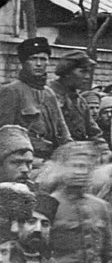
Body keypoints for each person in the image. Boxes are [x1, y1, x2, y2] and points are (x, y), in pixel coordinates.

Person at [0, 37, 71, 166]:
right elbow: (5, 136)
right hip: (24, 163)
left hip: (52, 160)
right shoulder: (11, 91)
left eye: (43, 59)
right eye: (33, 59)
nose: (39, 64)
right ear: (23, 62)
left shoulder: (49, 93)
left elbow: (63, 131)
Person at [50, 51, 102, 143]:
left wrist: (104, 150)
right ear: (67, 72)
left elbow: (94, 132)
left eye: (88, 72)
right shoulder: (49, 95)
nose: (87, 77)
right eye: (83, 72)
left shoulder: (80, 102)